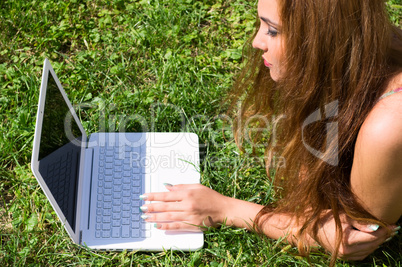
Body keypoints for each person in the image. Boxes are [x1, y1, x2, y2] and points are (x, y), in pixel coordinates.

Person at [138, 0, 402, 265]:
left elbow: (355, 237)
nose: (256, 41)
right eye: (261, 24)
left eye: (273, 31)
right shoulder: (365, 43)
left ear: (323, 39)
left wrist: (226, 209)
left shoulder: (388, 126)